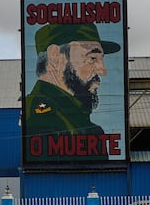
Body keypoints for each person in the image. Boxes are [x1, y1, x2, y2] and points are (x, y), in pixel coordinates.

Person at [23, 23, 121, 162]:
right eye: (92, 58)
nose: (102, 71)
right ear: (55, 56)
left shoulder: (85, 125)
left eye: (101, 59)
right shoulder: (40, 119)